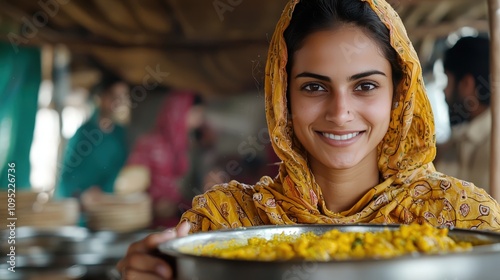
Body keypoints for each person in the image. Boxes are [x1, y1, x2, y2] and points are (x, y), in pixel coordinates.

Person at [117, 0, 500, 278]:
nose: (340, 112)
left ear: (399, 94)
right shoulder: (221, 229)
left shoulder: (460, 221)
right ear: (282, 96)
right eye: (315, 87)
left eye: (365, 85)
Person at [114, 91, 205, 229]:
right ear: (178, 113)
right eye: (195, 114)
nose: (199, 122)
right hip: (148, 223)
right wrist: (153, 204)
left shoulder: (181, 145)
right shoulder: (148, 144)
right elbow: (129, 187)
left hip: (173, 219)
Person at [56, 75, 129, 208]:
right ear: (101, 97)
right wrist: (82, 195)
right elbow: (67, 173)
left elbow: (120, 171)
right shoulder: (84, 133)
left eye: (122, 97)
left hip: (109, 207)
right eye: (113, 96)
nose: (117, 102)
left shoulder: (119, 134)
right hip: (81, 209)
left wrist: (105, 192)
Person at [435, 36, 492, 192]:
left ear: (466, 84)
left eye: (447, 80)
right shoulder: (462, 138)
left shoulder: (493, 146)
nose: (444, 91)